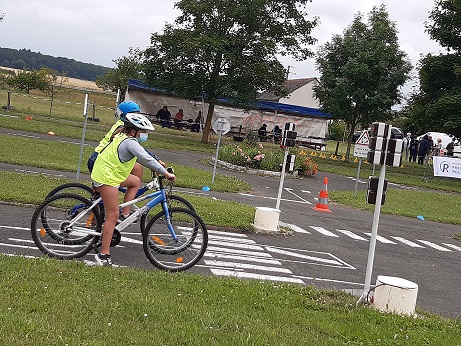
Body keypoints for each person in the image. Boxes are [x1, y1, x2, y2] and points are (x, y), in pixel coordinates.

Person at [91, 113, 176, 266]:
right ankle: (103, 255)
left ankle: (125, 214)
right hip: (106, 177)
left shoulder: (124, 137)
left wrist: (158, 164)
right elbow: (145, 158)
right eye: (143, 132)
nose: (144, 135)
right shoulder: (130, 142)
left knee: (135, 181)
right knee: (112, 214)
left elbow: (144, 155)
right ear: (133, 131)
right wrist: (166, 173)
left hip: (111, 174)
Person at [87, 101, 165, 178]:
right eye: (132, 115)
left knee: (138, 169)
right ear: (123, 116)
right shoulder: (123, 128)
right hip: (99, 159)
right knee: (133, 181)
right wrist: (156, 160)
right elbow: (137, 149)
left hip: (101, 157)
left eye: (137, 114)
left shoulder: (125, 126)